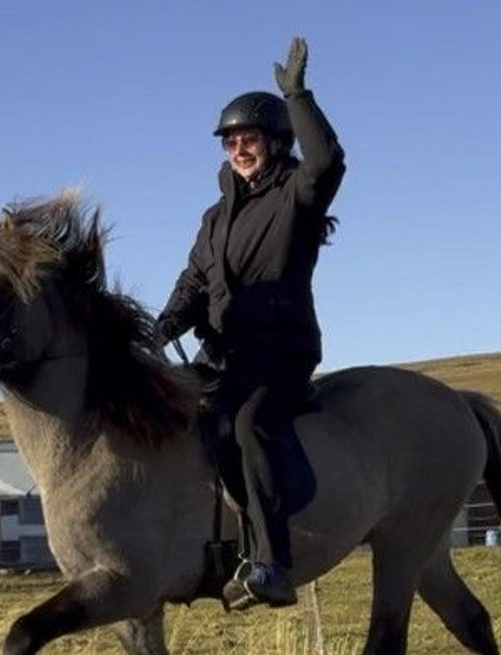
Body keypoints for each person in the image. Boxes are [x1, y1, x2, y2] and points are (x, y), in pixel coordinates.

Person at [154, 37, 346, 608]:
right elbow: (193, 282)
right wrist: (160, 329)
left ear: (276, 141)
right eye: (232, 142)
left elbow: (328, 160)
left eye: (251, 139)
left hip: (280, 351)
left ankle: (271, 564)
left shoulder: (297, 193)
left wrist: (299, 96)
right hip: (223, 356)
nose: (240, 149)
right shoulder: (213, 218)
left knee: (249, 427)